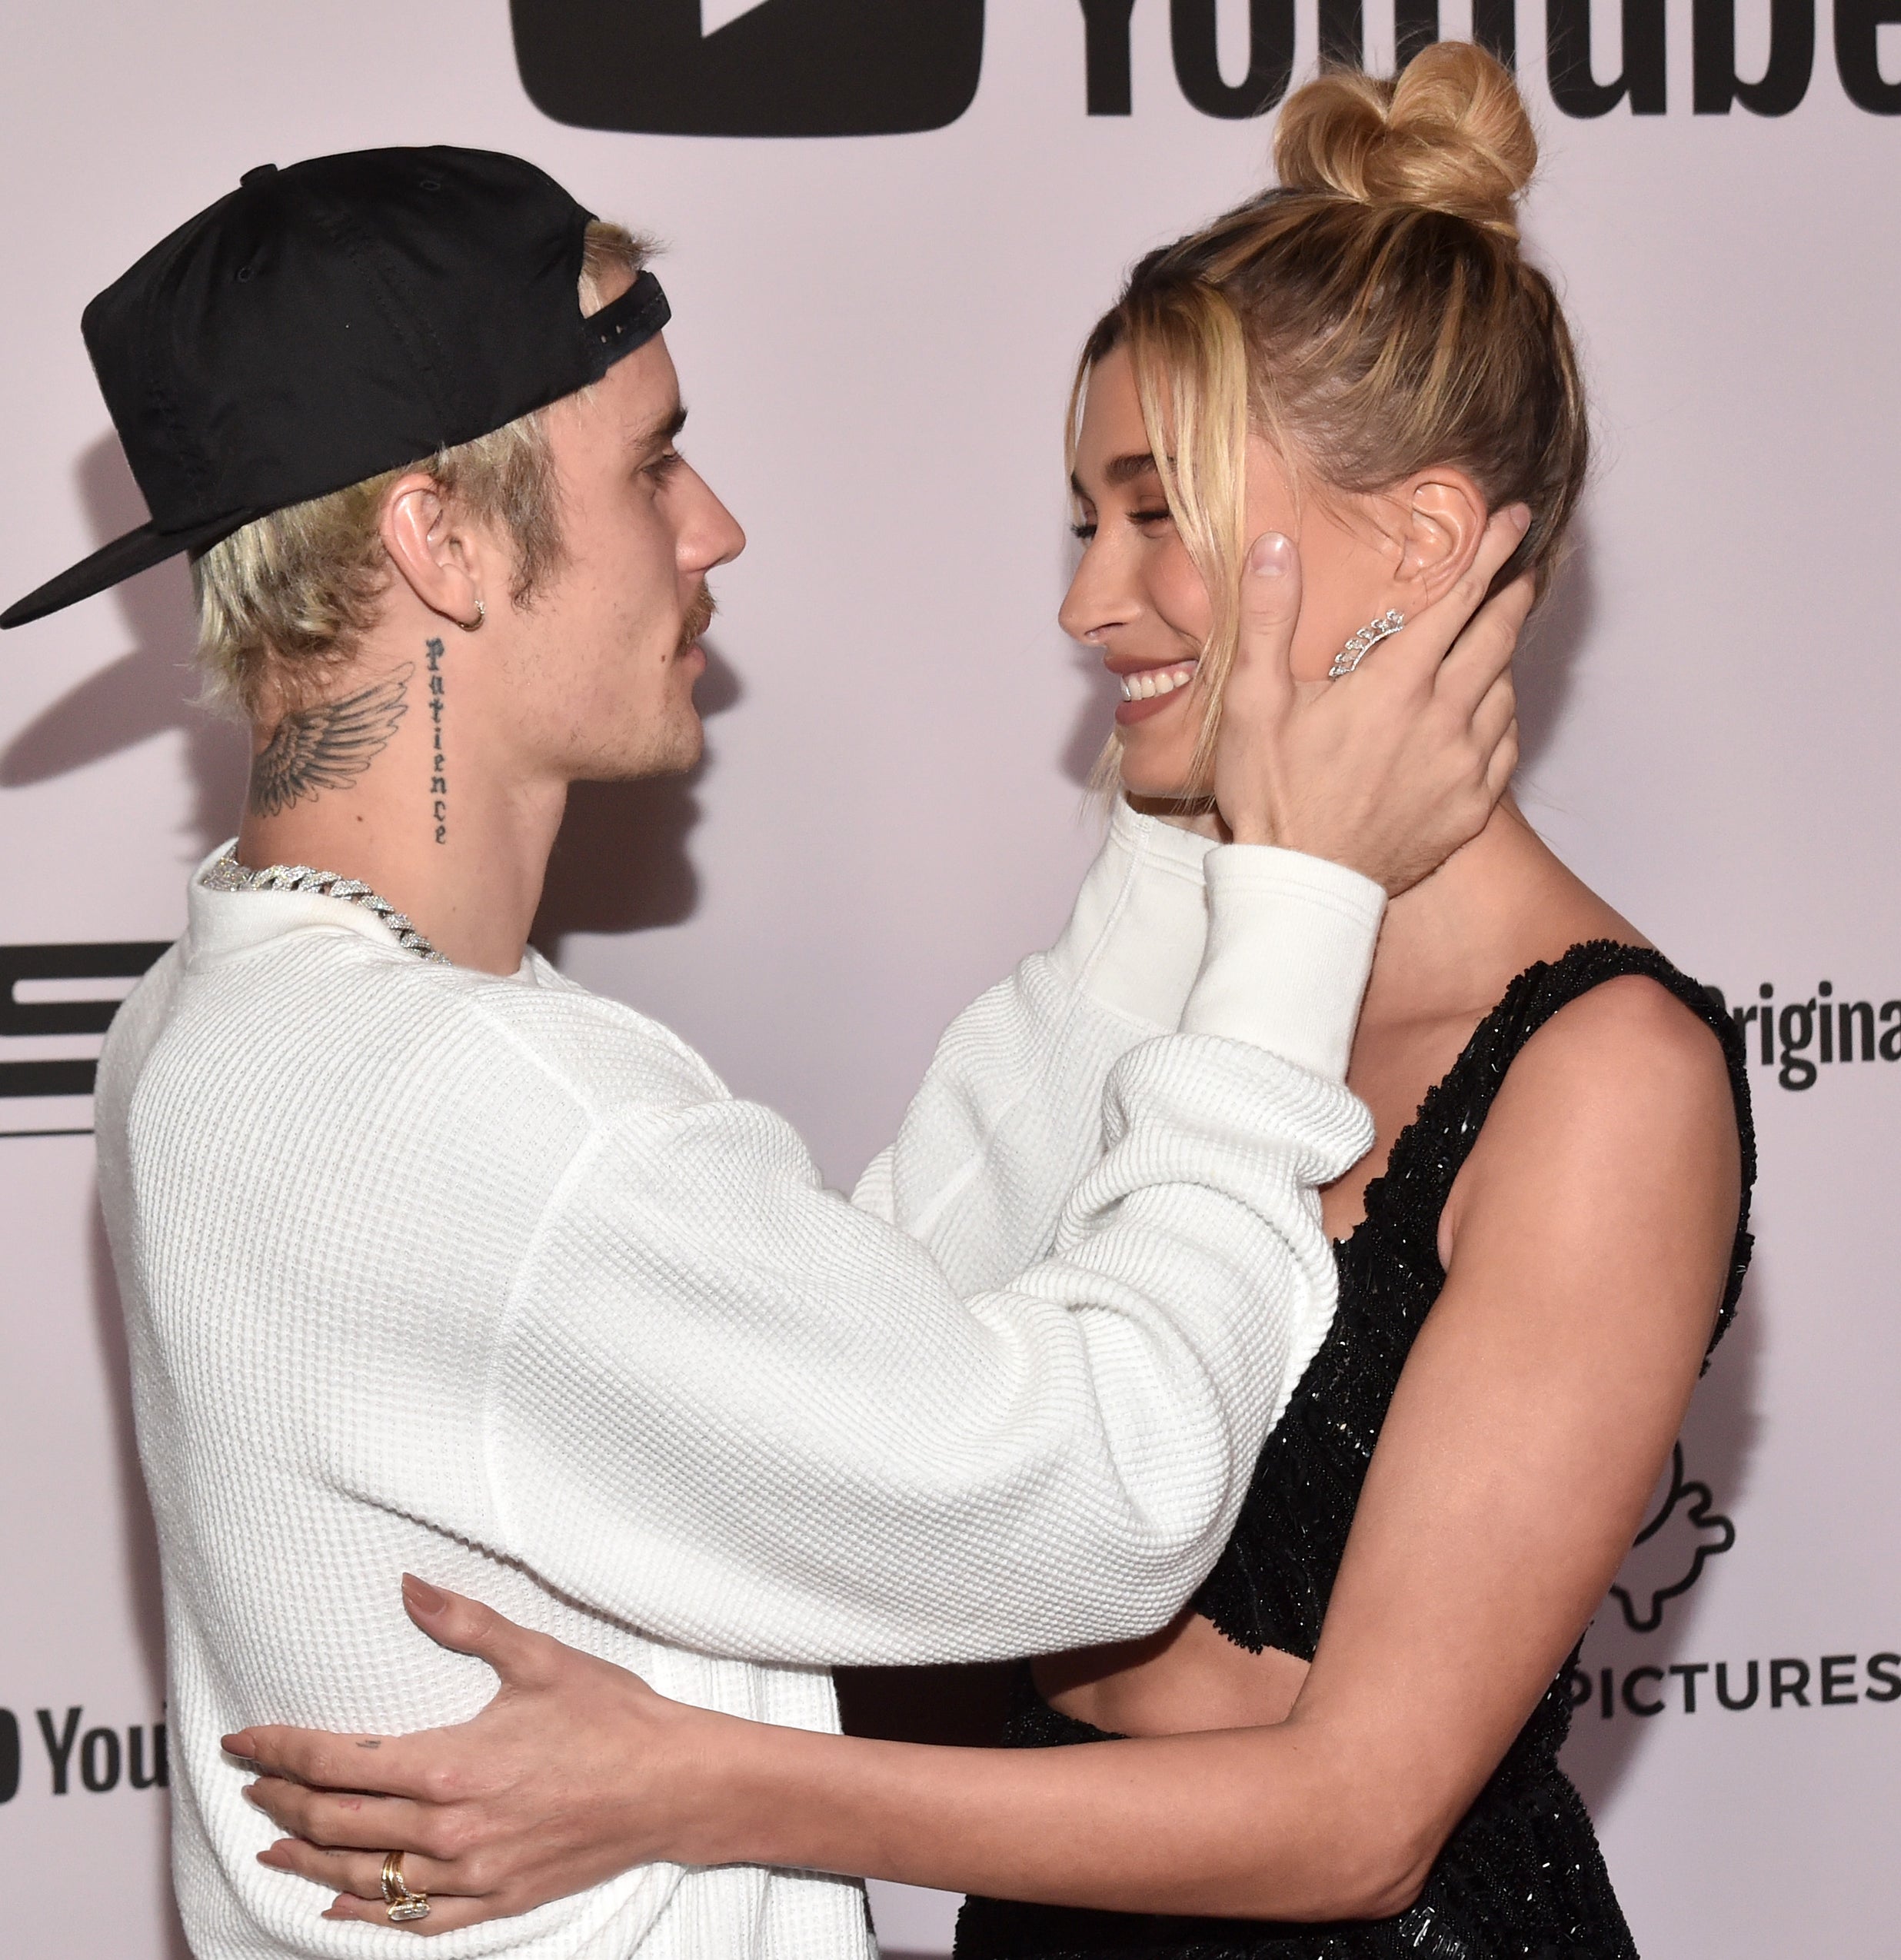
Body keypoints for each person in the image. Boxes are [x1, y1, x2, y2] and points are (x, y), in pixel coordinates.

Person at [228, 45, 1754, 1959]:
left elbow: (1356, 1822)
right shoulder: (1189, 1007)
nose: (1087, 604)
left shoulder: (1610, 1075)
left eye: (1157, 514)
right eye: (1079, 523)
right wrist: (1153, 1680)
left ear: (1429, 550)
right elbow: (941, 1529)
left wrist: (696, 1771)